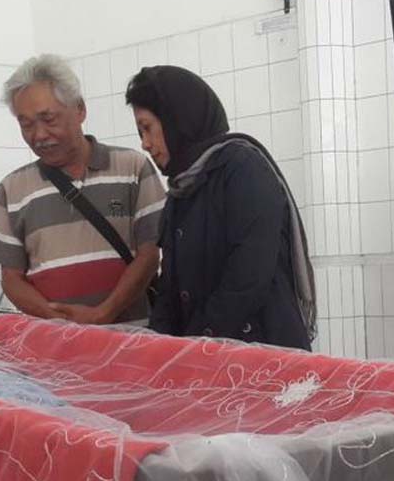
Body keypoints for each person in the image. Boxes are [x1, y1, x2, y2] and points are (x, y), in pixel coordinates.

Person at [125, 65, 315, 350]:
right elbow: (170, 290)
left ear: (178, 120)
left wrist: (197, 344)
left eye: (148, 128)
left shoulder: (242, 168)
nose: (145, 144)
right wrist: (158, 348)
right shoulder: (181, 190)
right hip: (211, 354)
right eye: (140, 132)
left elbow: (248, 277)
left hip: (262, 355)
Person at [0, 54, 165, 325]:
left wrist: (103, 313)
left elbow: (150, 255)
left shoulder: (133, 168)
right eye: (26, 124)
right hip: (56, 343)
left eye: (48, 119)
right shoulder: (12, 189)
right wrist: (58, 321)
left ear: (79, 109)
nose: (39, 135)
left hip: (132, 338)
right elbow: (11, 278)